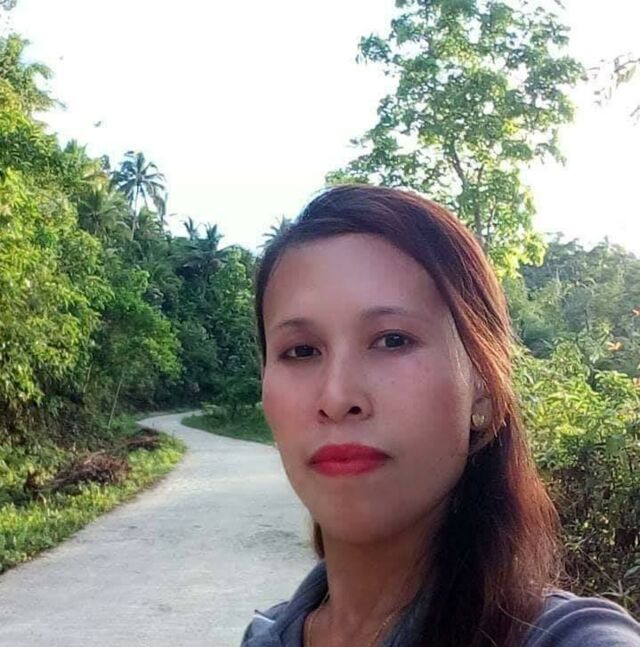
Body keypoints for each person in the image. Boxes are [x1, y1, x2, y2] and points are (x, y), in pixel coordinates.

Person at [241, 185, 640, 647]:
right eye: (301, 351)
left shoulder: (568, 638)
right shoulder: (264, 637)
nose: (337, 396)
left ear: (483, 386)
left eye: (392, 340)